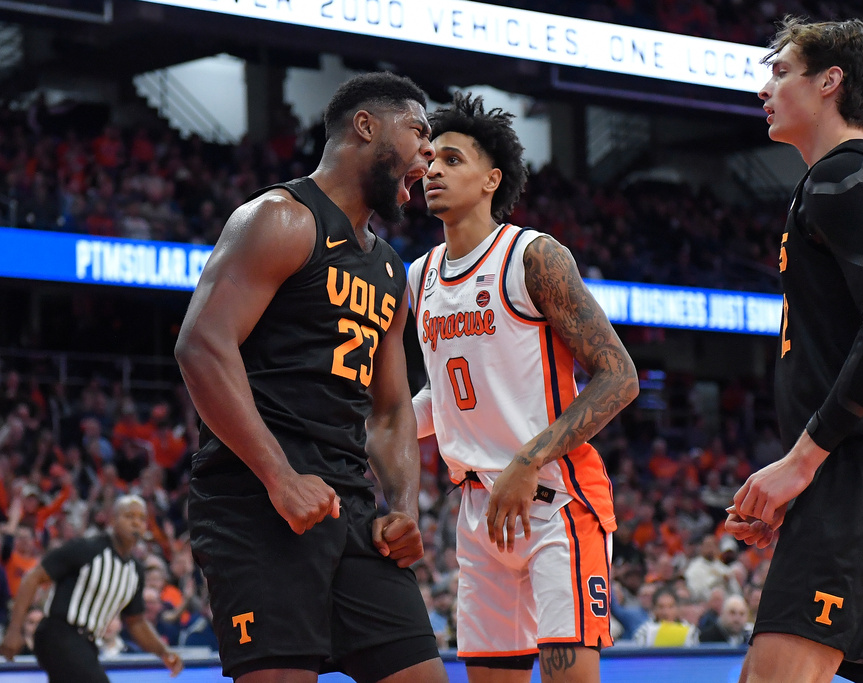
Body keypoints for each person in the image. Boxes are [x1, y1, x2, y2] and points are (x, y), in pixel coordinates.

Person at [175, 72, 447, 683]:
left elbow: (390, 410)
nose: (429, 153)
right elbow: (202, 345)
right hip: (256, 501)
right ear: (366, 126)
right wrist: (280, 478)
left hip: (350, 507)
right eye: (419, 131)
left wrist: (404, 509)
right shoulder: (281, 218)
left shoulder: (388, 268)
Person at [726, 17, 863, 683]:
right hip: (860, 466)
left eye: (781, 71)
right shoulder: (853, 178)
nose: (764, 88)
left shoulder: (842, 176)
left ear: (830, 82)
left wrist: (802, 462)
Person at [408, 93, 638, 682]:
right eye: (430, 160)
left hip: (556, 499)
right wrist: (371, 436)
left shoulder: (532, 256)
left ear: (492, 180)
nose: (433, 171)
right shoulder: (419, 276)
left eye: (452, 160)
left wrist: (527, 459)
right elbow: (444, 397)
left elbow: (619, 377)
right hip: (480, 509)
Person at [0, 494, 182, 682]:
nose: (136, 523)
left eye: (142, 518)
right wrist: (14, 630)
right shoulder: (86, 549)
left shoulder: (135, 571)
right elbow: (32, 578)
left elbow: (136, 623)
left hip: (87, 644)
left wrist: (163, 652)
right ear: (113, 520)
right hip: (58, 634)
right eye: (129, 516)